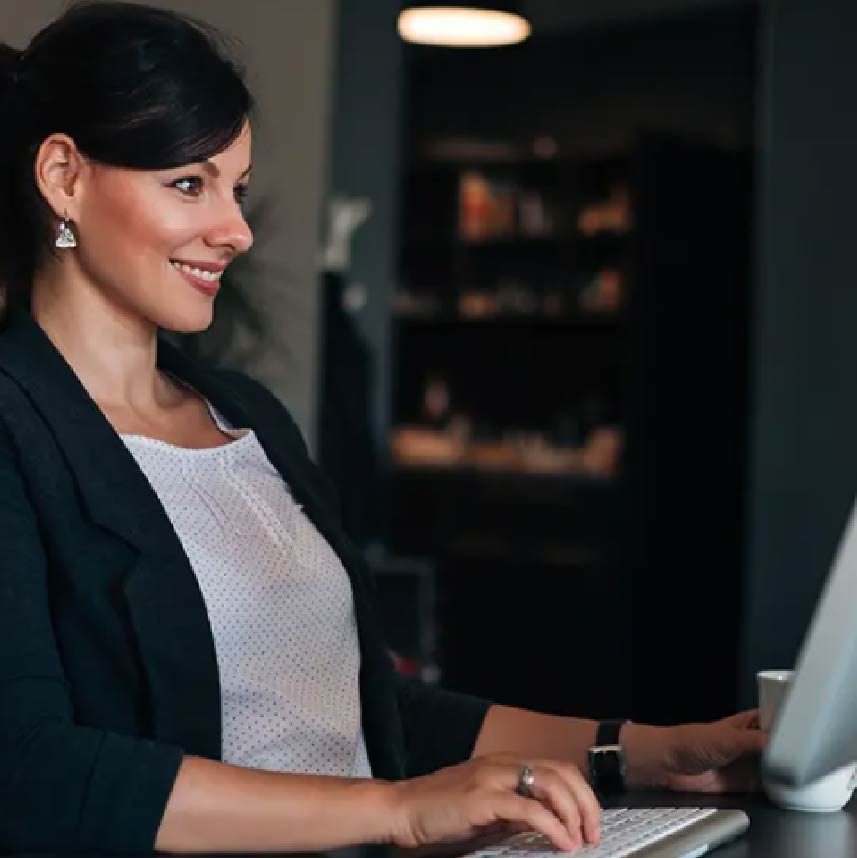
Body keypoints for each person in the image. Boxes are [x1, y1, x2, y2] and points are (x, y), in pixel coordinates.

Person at [0, 3, 766, 854]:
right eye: (189, 183)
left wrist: (646, 753)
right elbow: (33, 771)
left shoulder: (246, 418)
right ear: (64, 176)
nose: (237, 231)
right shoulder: (14, 432)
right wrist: (399, 810)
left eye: (238, 188)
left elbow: (365, 709)